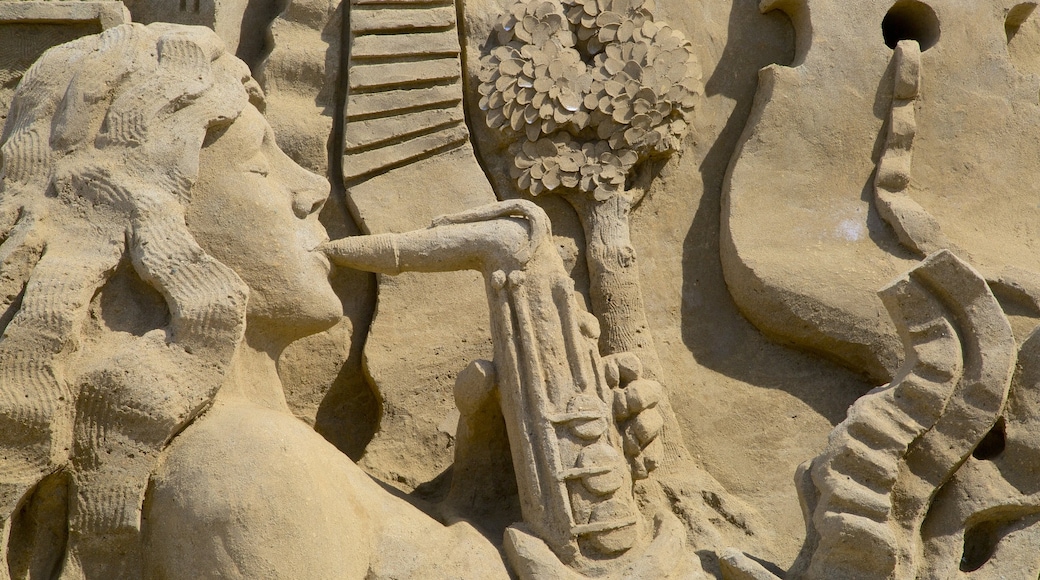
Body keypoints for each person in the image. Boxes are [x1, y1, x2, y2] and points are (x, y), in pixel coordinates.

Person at [0, 23, 508, 579]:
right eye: (261, 165)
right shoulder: (249, 467)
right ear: (164, 226)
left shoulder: (266, 452)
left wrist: (486, 483)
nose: (313, 187)